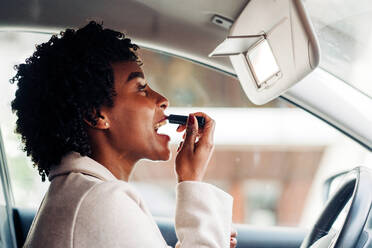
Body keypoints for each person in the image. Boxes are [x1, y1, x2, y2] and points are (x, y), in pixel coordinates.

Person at [10, 21, 237, 248]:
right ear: (97, 115)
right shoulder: (100, 201)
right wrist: (191, 180)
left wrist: (208, 233)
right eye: (141, 88)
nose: (162, 100)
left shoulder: (85, 194)